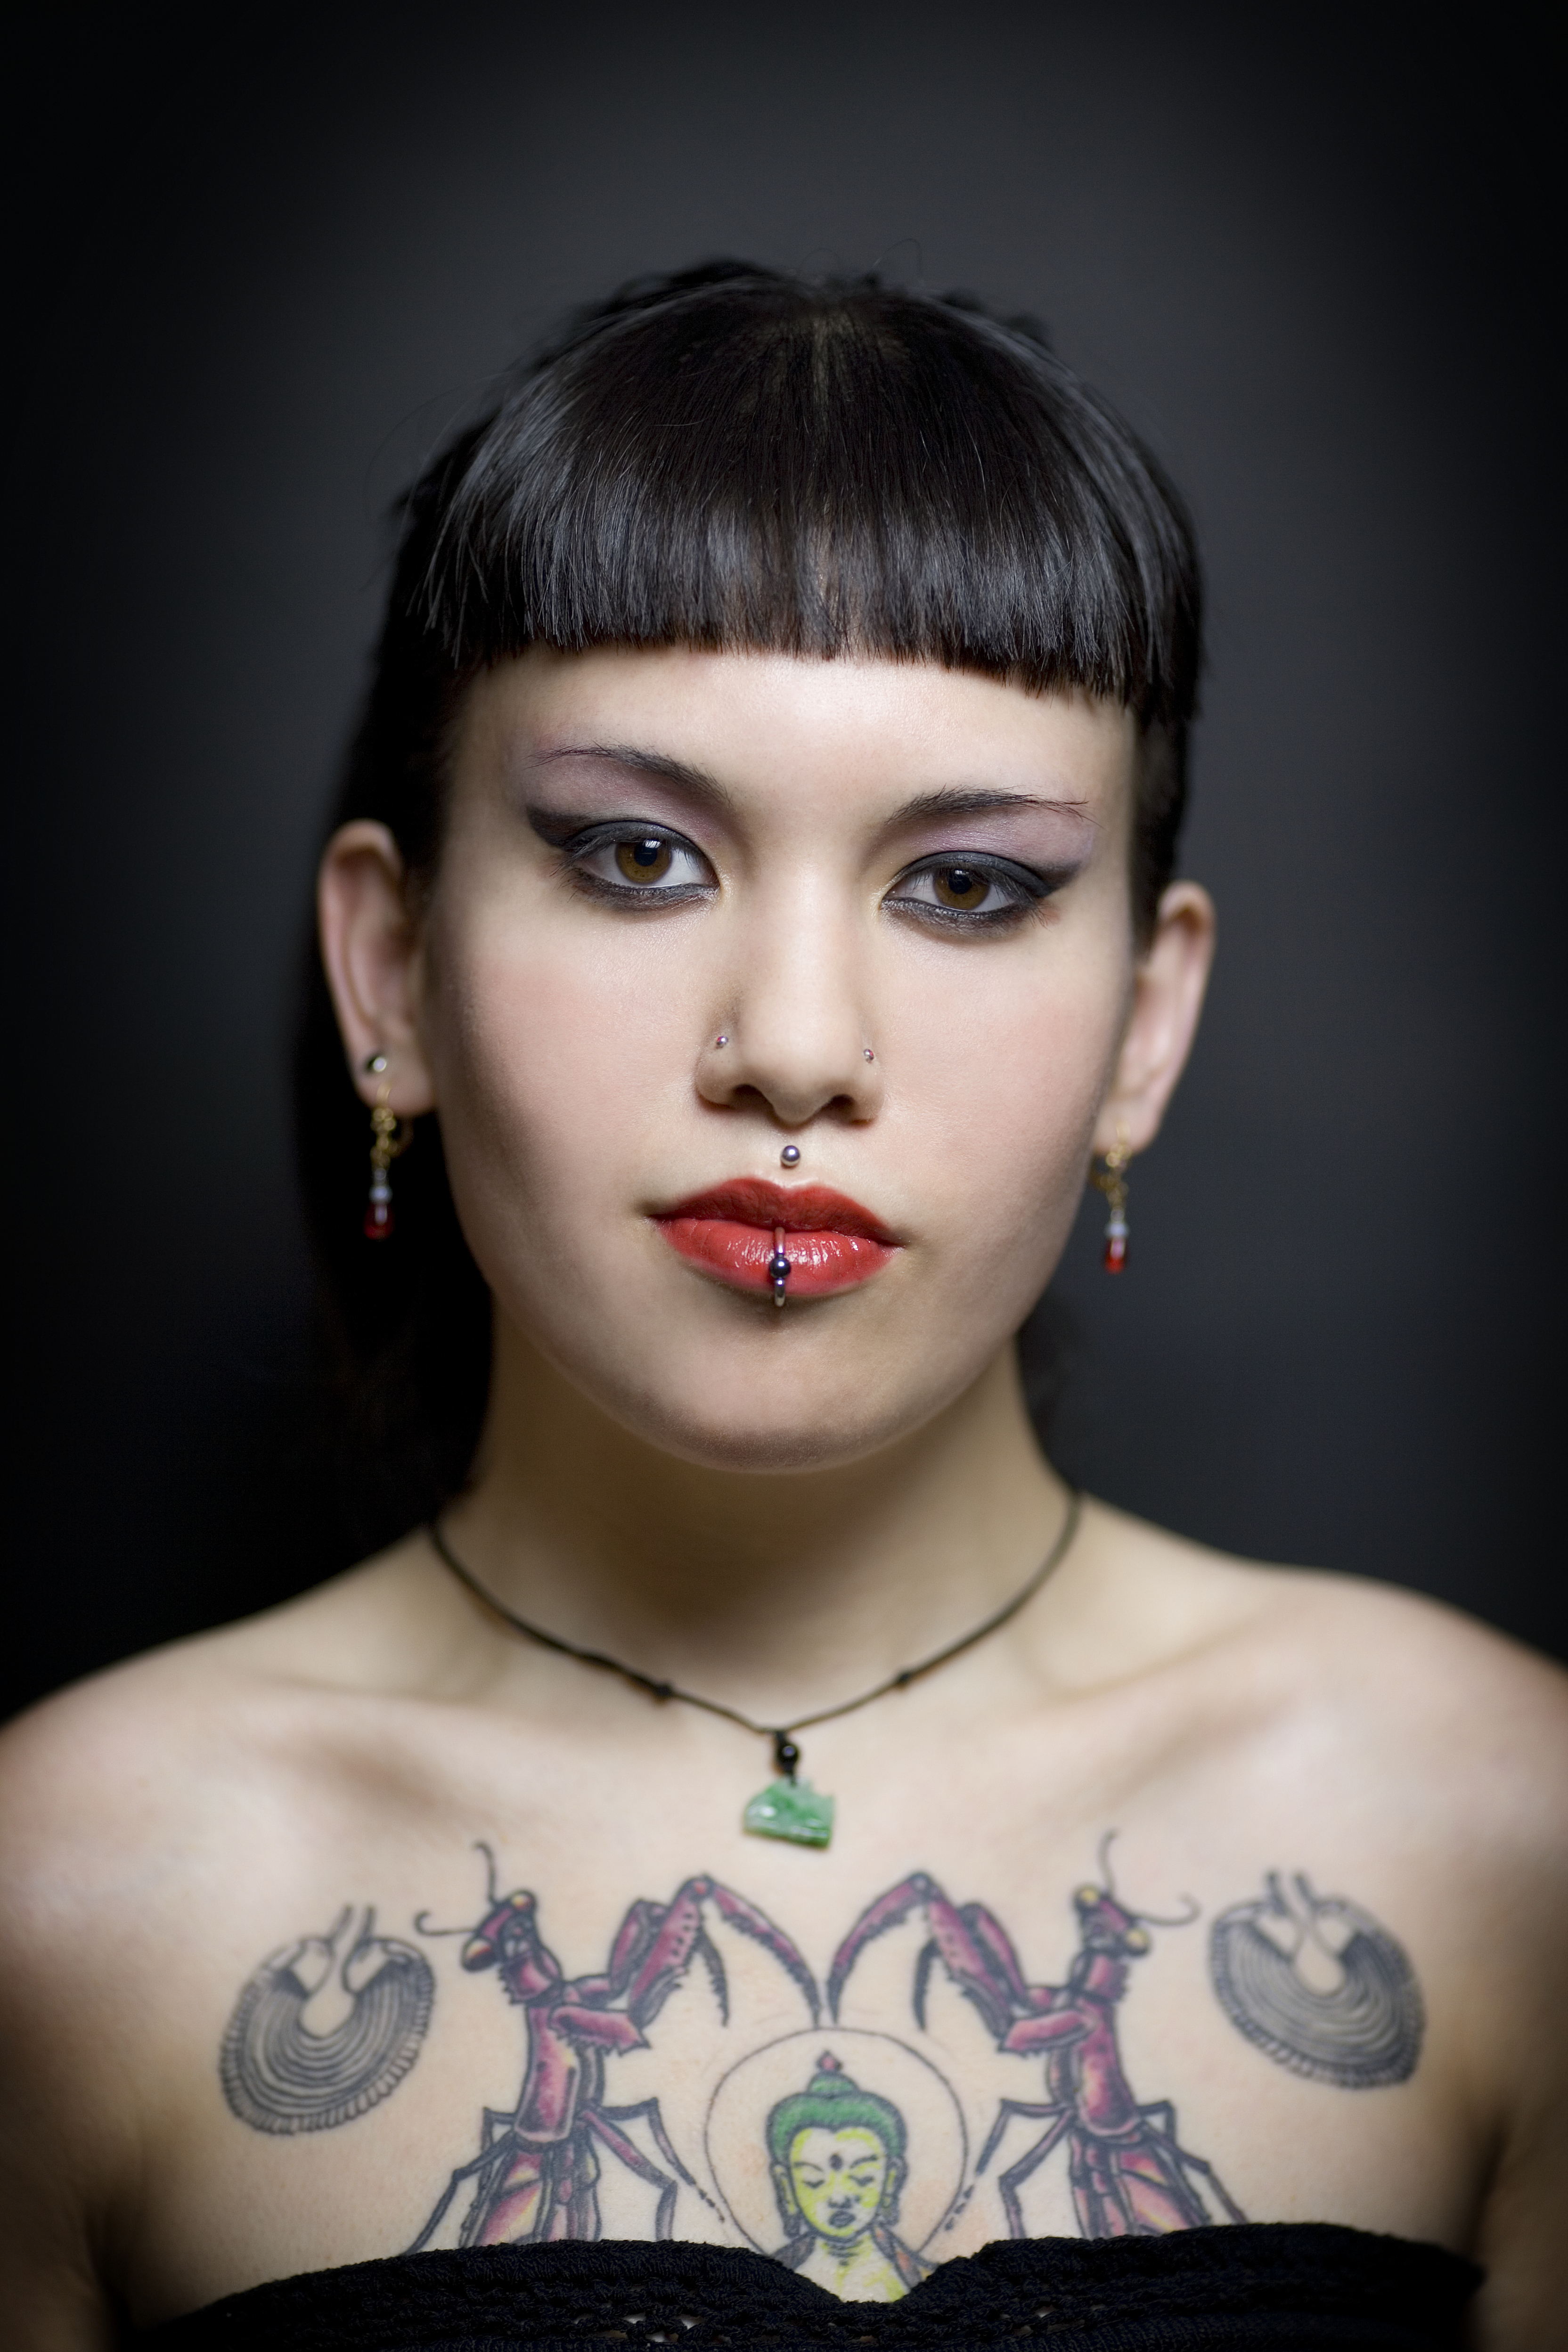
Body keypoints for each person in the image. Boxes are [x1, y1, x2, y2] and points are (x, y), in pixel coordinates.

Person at [0, 263, 1562, 2352]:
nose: (799, 1048)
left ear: (1144, 1024)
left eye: (970, 885)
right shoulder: (62, 1904)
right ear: (391, 972)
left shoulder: (1504, 1841)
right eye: (639, 857)